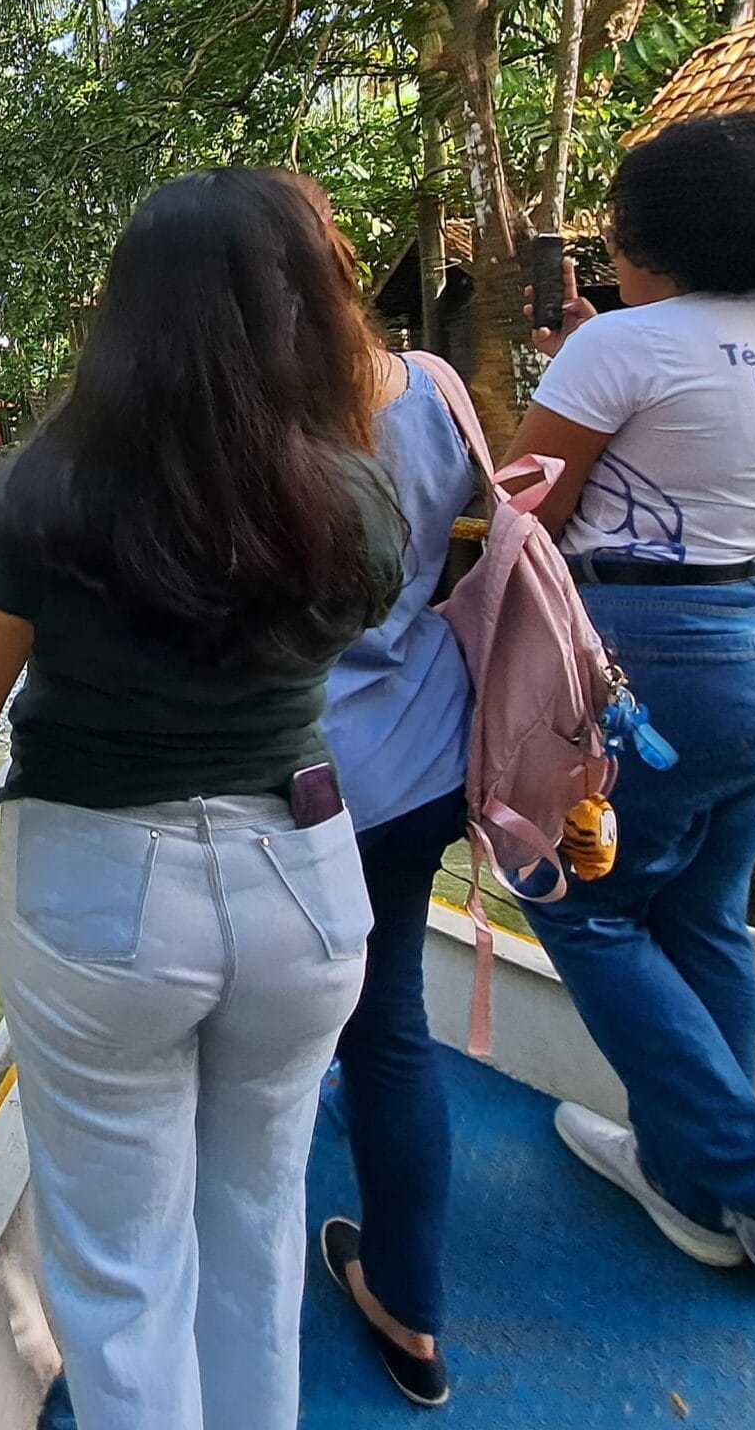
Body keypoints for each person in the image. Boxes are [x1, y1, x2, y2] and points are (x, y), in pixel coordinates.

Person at [0, 169, 401, 1430]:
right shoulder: (353, 490)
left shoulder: (52, 483)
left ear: (127, 310)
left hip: (105, 892)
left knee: (120, 1271)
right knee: (256, 1217)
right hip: (306, 880)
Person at [514, 111, 755, 1283]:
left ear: (659, 237)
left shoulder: (620, 347)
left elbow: (525, 512)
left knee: (580, 907)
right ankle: (684, 1178)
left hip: (660, 668)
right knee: (702, 915)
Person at [303, 197, 476, 1410]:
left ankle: (223, 1321)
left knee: (237, 1038)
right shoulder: (437, 388)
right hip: (419, 757)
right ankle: (409, 1307)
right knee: (389, 1024)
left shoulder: (242, 418)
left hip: (292, 777)